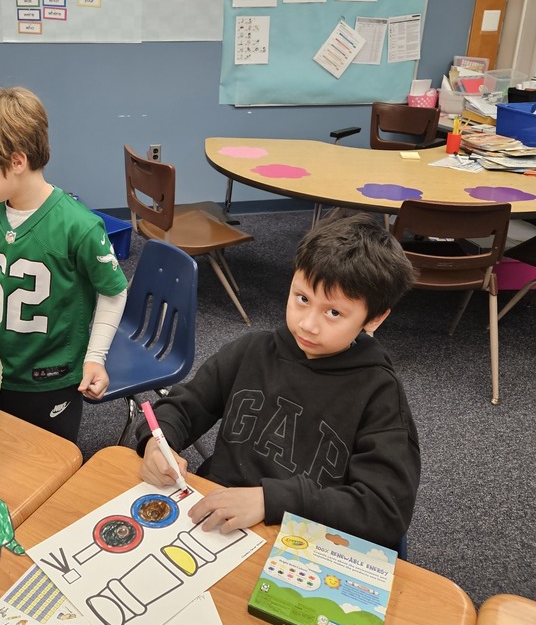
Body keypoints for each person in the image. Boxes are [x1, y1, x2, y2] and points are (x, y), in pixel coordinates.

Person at [137, 211, 419, 550]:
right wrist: (158, 442)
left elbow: (384, 512)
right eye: (302, 298)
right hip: (216, 524)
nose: (308, 325)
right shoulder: (251, 351)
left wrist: (270, 501)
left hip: (300, 543)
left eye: (334, 313)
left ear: (374, 317)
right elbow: (184, 406)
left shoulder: (380, 395)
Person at [0, 86, 128, 443]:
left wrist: (95, 357)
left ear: (16, 162)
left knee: (50, 458)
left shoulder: (79, 226)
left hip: (50, 379)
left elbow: (114, 292)